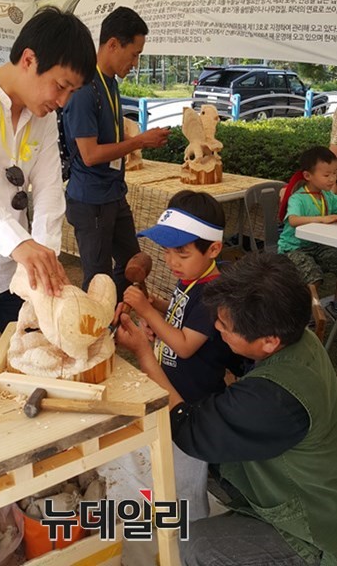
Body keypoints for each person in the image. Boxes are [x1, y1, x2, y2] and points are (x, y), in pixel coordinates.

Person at [116, 252, 337, 565]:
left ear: (269, 342)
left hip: (313, 526)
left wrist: (144, 354)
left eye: (224, 325)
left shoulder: (272, 398)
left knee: (198, 547)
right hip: (313, 482)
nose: (215, 327)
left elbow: (189, 427)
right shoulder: (300, 339)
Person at [0, 6, 96, 355]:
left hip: (16, 271)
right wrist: (17, 242)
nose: (63, 101)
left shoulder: (41, 116)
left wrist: (46, 259)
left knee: (32, 353)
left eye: (72, 92)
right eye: (61, 86)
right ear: (28, 59)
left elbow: (52, 188)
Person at [120, 190, 243, 520]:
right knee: (166, 469)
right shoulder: (191, 278)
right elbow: (180, 316)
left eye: (181, 253)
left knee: (185, 479)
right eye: (166, 252)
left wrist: (148, 311)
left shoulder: (212, 291)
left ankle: (193, 537)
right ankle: (168, 518)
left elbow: (186, 344)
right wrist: (158, 310)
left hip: (192, 404)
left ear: (213, 248)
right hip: (172, 390)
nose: (171, 261)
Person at [62, 6, 170, 301]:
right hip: (91, 199)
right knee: (99, 279)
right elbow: (90, 154)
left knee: (133, 264)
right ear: (112, 44)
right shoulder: (84, 88)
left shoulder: (109, 82)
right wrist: (139, 143)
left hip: (112, 192)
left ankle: (121, 325)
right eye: (134, 53)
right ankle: (97, 337)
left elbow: (108, 139)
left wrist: (136, 139)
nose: (135, 63)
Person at [278, 146, 337, 312]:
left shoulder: (327, 196)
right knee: (312, 276)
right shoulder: (298, 198)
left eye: (335, 173)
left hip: (318, 246)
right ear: (308, 176)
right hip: (293, 248)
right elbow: (293, 220)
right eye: (326, 175)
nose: (332, 179)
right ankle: (309, 312)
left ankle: (334, 305)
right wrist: (322, 219)